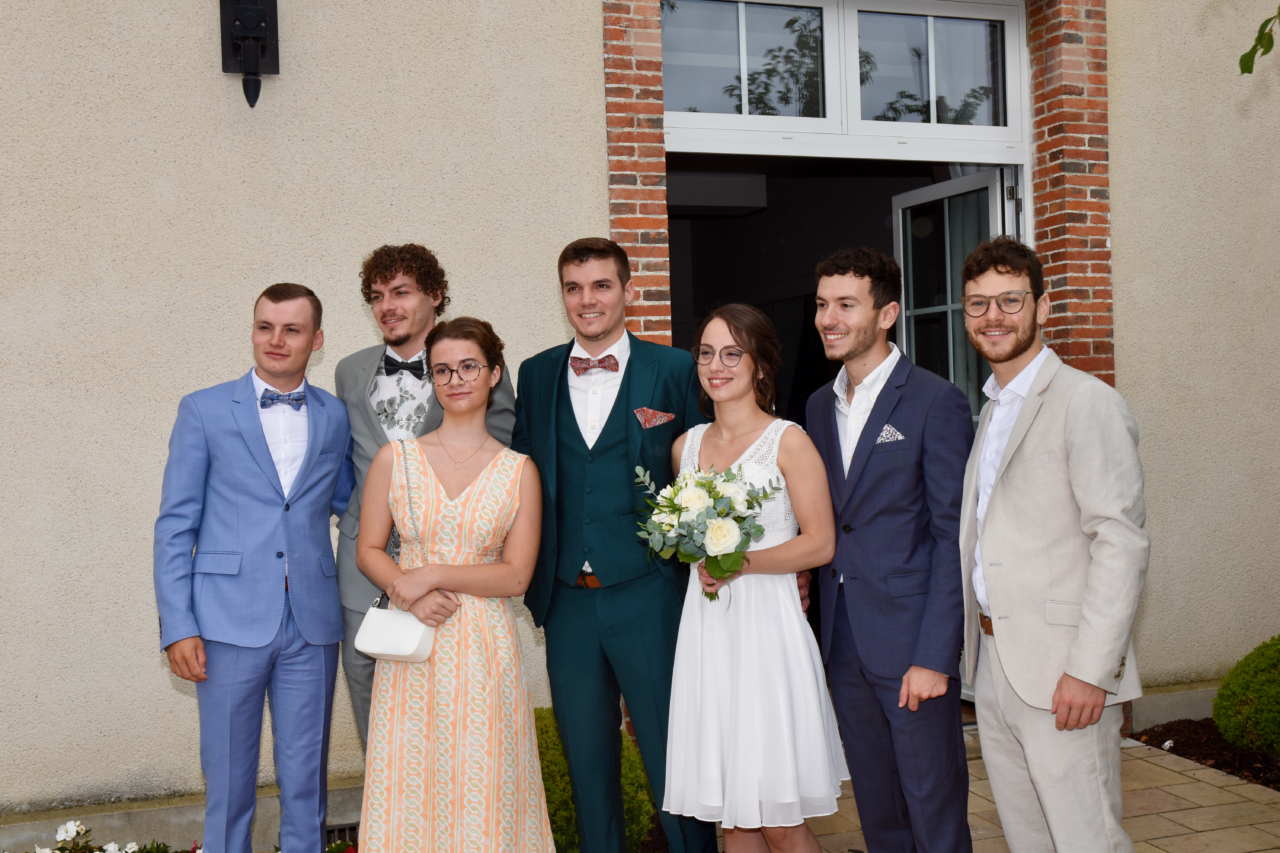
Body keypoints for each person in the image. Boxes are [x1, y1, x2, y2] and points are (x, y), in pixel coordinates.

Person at [509, 237, 719, 853]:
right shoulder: (536, 372)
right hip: (566, 600)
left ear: (628, 290)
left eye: (601, 285)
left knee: (671, 758)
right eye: (573, 288)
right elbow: (522, 476)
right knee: (587, 764)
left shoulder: (674, 368)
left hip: (650, 592)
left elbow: (704, 469)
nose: (587, 300)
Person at [959, 237, 1147, 852]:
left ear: (1042, 307)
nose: (993, 316)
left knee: (1087, 839)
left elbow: (1119, 543)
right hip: (996, 667)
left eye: (1010, 300)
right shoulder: (994, 409)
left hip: (1063, 671)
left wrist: (1090, 671)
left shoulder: (1086, 402)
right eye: (978, 304)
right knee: (1029, 839)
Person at [154, 284, 355, 853]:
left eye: (292, 329)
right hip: (224, 623)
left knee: (307, 784)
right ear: (252, 331)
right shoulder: (204, 409)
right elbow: (175, 526)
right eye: (265, 326)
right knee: (228, 783)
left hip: (313, 624)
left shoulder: (335, 416)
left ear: (317, 340)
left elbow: (352, 504)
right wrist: (179, 625)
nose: (276, 340)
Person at [354, 316, 554, 852]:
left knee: (485, 783)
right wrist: (408, 591)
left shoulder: (519, 471)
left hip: (484, 649)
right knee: (410, 782)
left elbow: (516, 575)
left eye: (469, 367)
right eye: (442, 370)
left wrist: (434, 574)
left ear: (494, 373)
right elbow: (368, 549)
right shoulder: (395, 459)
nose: (456, 379)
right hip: (412, 648)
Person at [804, 248, 975, 853]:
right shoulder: (818, 406)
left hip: (910, 647)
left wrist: (935, 656)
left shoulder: (935, 400)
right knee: (878, 812)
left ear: (887, 314)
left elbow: (953, 538)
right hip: (843, 643)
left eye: (846, 305)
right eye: (822, 305)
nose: (828, 319)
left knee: (934, 810)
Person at [664, 304, 848, 853]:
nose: (715, 366)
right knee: (734, 819)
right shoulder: (684, 448)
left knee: (777, 820)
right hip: (709, 634)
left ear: (760, 365)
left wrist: (742, 563)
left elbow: (821, 542)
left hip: (767, 634)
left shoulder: (788, 441)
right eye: (706, 353)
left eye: (731, 354)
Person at [333, 243, 515, 747]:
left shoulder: (474, 370)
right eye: (376, 296)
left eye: (401, 292)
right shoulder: (349, 371)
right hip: (362, 566)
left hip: (448, 567)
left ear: (435, 295)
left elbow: (496, 465)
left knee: (449, 703)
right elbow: (342, 462)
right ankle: (385, 799)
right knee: (370, 700)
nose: (387, 306)